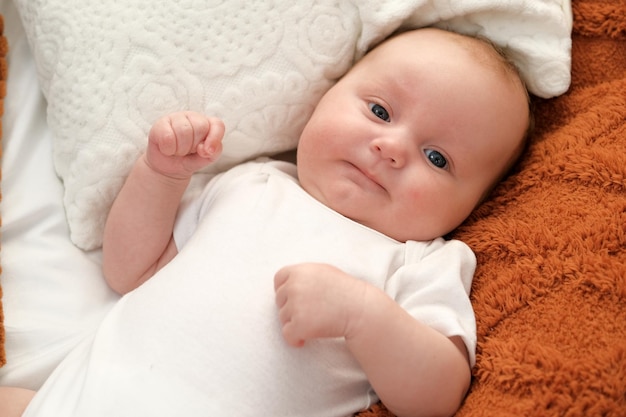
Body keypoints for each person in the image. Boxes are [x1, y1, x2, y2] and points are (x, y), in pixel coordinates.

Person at [2, 27, 530, 417]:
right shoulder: (251, 183)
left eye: (437, 158)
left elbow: (436, 398)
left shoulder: (421, 260)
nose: (390, 148)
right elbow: (130, 271)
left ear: (475, 205)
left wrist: (363, 317)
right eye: (379, 111)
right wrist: (160, 175)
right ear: (326, 96)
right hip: (71, 399)